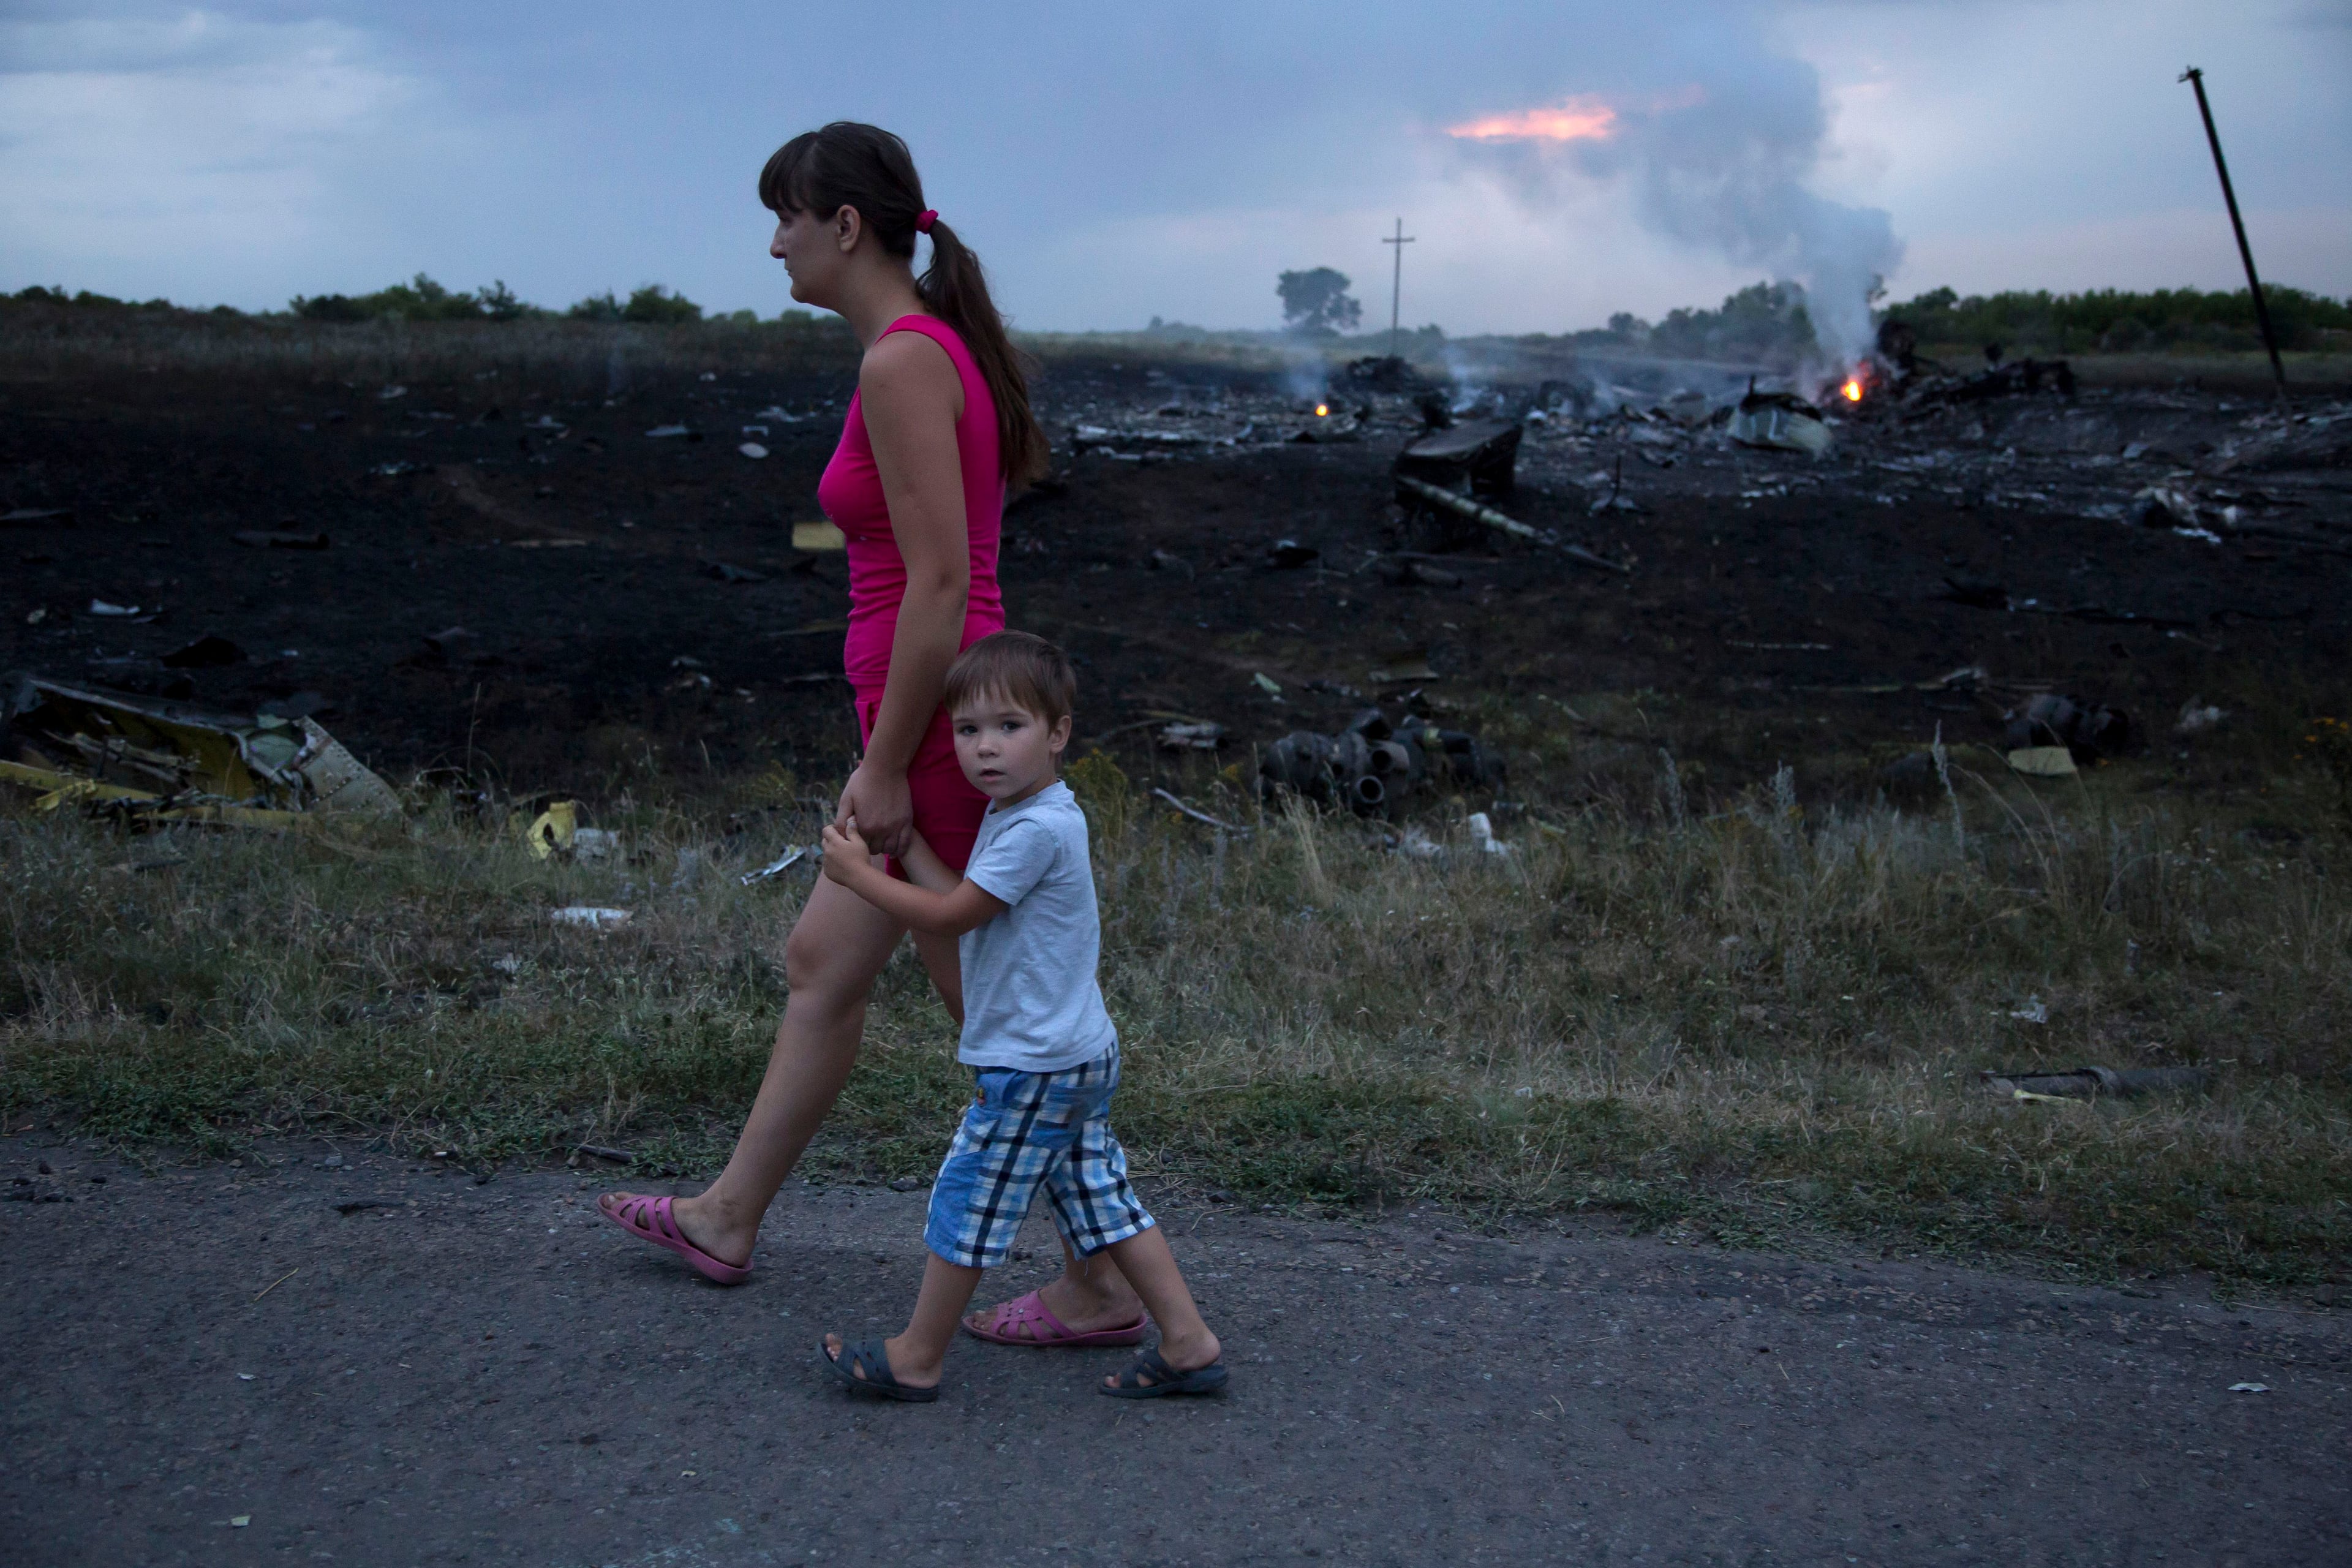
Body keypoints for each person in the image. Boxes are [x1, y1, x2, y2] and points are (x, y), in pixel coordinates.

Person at [597, 122, 1152, 1346]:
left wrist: (891, 761)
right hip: (912, 722)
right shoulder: (923, 347)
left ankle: (1109, 1281)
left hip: (934, 735)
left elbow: (943, 586)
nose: (776, 241)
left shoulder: (904, 361)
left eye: (787, 214)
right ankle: (726, 1214)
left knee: (1009, 1028)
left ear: (847, 225)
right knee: (822, 962)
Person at [815, 632, 1227, 1400]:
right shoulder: (1029, 812)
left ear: (1059, 734)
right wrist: (901, 850)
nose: (985, 748)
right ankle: (1189, 1340)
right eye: (968, 730)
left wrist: (858, 876)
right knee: (1100, 1198)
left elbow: (955, 916)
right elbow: (967, 897)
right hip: (1072, 1052)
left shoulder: (1034, 828)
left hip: (1033, 1063)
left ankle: (915, 1357)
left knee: (969, 1194)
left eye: (1010, 727)